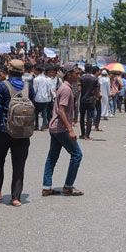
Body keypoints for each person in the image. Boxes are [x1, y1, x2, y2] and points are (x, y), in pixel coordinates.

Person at [0, 59, 35, 207]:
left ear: (8, 71)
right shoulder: (29, 87)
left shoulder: (2, 86)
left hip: (3, 130)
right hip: (23, 132)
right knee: (19, 164)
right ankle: (16, 198)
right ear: (23, 71)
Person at [41, 63, 84, 197]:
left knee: (52, 156)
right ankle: (68, 186)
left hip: (55, 127)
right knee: (77, 154)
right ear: (69, 74)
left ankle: (47, 187)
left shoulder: (66, 87)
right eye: (76, 73)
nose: (79, 75)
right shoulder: (66, 89)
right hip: (60, 128)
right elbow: (61, 110)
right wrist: (70, 129)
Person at [78, 66, 99, 140]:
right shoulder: (95, 79)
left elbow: (79, 90)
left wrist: (76, 99)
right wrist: (96, 98)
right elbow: (97, 90)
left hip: (83, 100)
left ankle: (82, 134)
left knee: (82, 117)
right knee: (89, 118)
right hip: (91, 100)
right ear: (91, 70)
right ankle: (87, 135)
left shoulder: (81, 78)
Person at [32, 65, 52, 131]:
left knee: (36, 113)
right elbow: (48, 89)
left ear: (37, 71)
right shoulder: (46, 79)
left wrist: (33, 97)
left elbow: (35, 90)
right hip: (45, 98)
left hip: (37, 98)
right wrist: (49, 96)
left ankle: (36, 125)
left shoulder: (35, 79)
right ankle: (43, 126)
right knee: (44, 112)